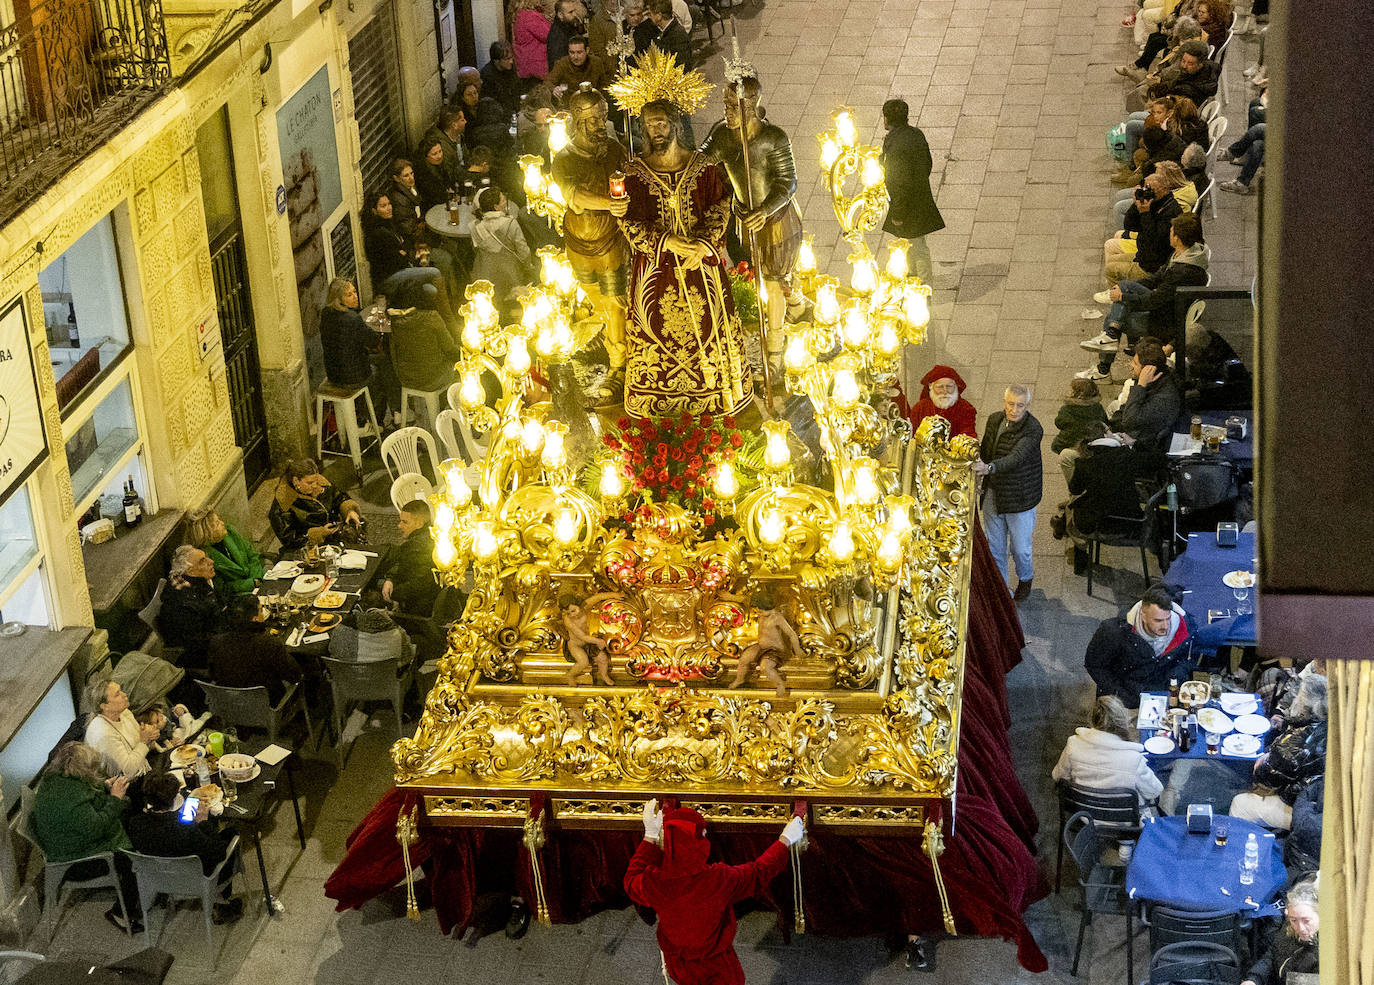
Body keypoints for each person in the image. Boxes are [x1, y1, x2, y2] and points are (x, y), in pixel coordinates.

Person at [616, 82, 753, 418]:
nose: (655, 131)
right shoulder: (634, 173)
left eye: (661, 123)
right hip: (656, 274)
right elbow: (629, 221)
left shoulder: (703, 167)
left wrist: (705, 242)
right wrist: (665, 241)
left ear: (676, 124)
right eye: (649, 125)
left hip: (701, 268)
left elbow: (722, 204)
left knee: (710, 328)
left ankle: (715, 391)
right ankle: (656, 395)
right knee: (657, 330)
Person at [625, 799, 804, 985]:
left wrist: (650, 836)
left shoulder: (654, 881)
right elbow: (758, 872)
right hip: (717, 967)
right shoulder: (717, 879)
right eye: (703, 834)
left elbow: (630, 880)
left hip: (679, 964)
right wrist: (785, 840)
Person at [700, 74, 803, 376]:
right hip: (745, 219)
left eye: (735, 106)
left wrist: (766, 209)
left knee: (772, 283)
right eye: (726, 105)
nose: (728, 112)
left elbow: (788, 181)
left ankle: (775, 350)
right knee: (762, 277)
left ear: (752, 107)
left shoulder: (774, 137)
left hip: (777, 221)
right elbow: (701, 162)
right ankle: (795, 301)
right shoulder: (722, 134)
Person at [551, 85, 630, 388]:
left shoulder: (612, 148)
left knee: (614, 302)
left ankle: (618, 364)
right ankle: (616, 339)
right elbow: (576, 197)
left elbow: (629, 174)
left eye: (603, 118)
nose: (601, 125)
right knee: (598, 300)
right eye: (594, 120)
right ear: (578, 121)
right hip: (579, 244)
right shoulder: (564, 159)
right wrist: (610, 204)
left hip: (611, 238)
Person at [29, 742, 141, 933]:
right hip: (76, 862)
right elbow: (96, 827)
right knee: (135, 863)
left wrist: (105, 787)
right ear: (82, 769)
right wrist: (115, 798)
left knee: (129, 815)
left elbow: (86, 790)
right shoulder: (72, 803)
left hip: (70, 843)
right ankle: (120, 914)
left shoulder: (55, 779)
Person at [1081, 216, 1209, 382]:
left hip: (1164, 322)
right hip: (1165, 306)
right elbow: (1155, 278)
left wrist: (1123, 296)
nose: (1169, 235)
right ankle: (1110, 339)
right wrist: (1124, 289)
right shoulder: (1186, 253)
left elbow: (1153, 301)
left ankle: (1104, 366)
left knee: (1115, 319)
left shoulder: (1182, 271)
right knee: (1124, 291)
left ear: (1178, 238)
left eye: (1171, 232)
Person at [126, 771, 243, 924]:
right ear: (174, 797)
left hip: (158, 879)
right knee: (230, 834)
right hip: (195, 880)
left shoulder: (135, 824)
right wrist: (203, 821)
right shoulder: (186, 830)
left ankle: (219, 900)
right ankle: (221, 899)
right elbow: (219, 853)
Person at [974, 385, 1043, 601]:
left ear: (1027, 406)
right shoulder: (994, 420)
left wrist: (989, 468)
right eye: (1010, 404)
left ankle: (1025, 578)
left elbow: (1017, 457)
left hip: (1019, 498)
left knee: (1021, 548)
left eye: (1019, 405)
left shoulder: (1033, 429)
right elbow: (986, 449)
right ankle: (1002, 592)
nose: (1014, 410)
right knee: (995, 548)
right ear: (1005, 402)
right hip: (994, 494)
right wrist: (980, 470)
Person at [1083, 585, 1193, 708]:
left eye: (1168, 618)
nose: (1165, 626)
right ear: (1143, 615)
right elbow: (1095, 665)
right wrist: (1120, 695)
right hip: (1126, 699)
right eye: (1158, 620)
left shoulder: (1185, 628)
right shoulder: (1113, 632)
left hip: (1163, 695)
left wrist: (1175, 677)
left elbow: (1188, 656)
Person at [360, 189, 458, 326]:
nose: (388, 208)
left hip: (402, 270)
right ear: (374, 211)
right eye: (383, 206)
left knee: (432, 290)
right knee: (435, 272)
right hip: (388, 279)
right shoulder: (378, 233)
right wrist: (403, 254)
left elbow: (404, 249)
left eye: (389, 204)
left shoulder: (389, 223)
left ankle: (436, 324)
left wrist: (403, 253)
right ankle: (451, 323)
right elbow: (397, 261)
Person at [319, 276, 399, 427]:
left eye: (354, 291)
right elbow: (374, 343)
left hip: (333, 373)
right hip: (352, 377)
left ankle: (387, 412)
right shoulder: (351, 318)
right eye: (349, 295)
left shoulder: (326, 313)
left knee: (382, 362)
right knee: (384, 368)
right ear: (338, 299)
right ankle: (374, 419)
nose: (355, 296)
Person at [879, 98, 944, 286]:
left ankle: (923, 287)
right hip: (919, 198)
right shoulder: (916, 134)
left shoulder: (896, 146)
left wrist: (898, 213)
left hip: (907, 206)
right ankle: (914, 279)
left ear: (887, 118)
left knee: (916, 246)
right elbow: (927, 163)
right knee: (913, 244)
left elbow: (899, 182)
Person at [1052, 695, 1164, 802]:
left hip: (1084, 813)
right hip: (1123, 819)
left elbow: (1058, 776)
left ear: (1092, 719)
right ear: (1123, 723)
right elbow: (1154, 791)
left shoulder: (1073, 744)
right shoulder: (1134, 760)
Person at [207, 594, 306, 705]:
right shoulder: (269, 644)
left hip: (232, 705)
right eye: (260, 610)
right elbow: (295, 675)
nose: (262, 613)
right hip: (267, 706)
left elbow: (214, 675)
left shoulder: (215, 642)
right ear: (254, 619)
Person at [268, 458, 364, 551]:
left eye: (316, 480)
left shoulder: (320, 483)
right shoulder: (284, 503)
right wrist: (318, 534)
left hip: (337, 535)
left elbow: (338, 497)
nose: (315, 485)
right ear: (296, 480)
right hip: (308, 548)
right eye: (309, 483)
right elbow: (289, 539)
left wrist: (349, 510)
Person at [389, 287, 462, 409]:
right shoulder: (431, 317)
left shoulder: (395, 321)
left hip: (407, 378)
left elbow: (394, 354)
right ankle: (447, 408)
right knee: (459, 368)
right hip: (433, 378)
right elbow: (450, 350)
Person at [1241, 877, 1319, 985]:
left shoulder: (1323, 956)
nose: (1300, 928)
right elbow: (1272, 955)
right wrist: (1253, 979)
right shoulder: (1289, 929)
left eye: (1306, 921)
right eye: (1294, 920)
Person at [158, 545, 225, 660]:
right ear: (190, 571)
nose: (211, 561)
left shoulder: (201, 580)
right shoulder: (183, 605)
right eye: (202, 561)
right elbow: (200, 642)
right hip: (201, 655)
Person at [471, 186, 534, 310]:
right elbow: (523, 251)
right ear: (496, 207)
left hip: (484, 273)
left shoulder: (475, 227)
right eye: (503, 201)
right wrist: (528, 267)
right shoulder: (510, 224)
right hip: (509, 274)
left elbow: (476, 251)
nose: (505, 202)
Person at [84, 678, 162, 778]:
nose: (125, 695)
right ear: (104, 706)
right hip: (130, 782)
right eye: (117, 694)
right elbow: (129, 771)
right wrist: (144, 741)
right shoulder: (104, 734)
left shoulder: (123, 712)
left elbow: (140, 743)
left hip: (145, 765)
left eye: (121, 690)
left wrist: (150, 736)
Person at [185, 506, 265, 597]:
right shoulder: (205, 557)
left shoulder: (229, 532)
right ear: (208, 532)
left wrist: (257, 578)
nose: (223, 523)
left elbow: (253, 555)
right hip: (240, 594)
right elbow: (223, 588)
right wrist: (251, 583)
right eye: (217, 523)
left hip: (259, 576)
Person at [378, 500, 440, 616]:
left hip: (419, 606)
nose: (399, 526)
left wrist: (394, 594)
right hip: (414, 593)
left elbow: (419, 585)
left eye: (405, 522)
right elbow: (401, 562)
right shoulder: (427, 537)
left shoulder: (418, 547)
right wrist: (390, 579)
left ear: (419, 524)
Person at [903, 364, 978, 439]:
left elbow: (968, 435)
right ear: (930, 387)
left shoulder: (966, 408)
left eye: (949, 386)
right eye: (940, 387)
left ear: (956, 387)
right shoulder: (920, 408)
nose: (945, 391)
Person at [1149, 40, 1220, 104]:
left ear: (1200, 64)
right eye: (1183, 61)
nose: (1184, 66)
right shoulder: (1208, 67)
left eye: (1190, 63)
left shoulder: (1187, 90)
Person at [1051, 378, 1109, 453]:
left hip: (1069, 440)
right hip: (1092, 440)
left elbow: (1059, 423)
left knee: (1056, 447)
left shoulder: (1068, 409)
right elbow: (1104, 421)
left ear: (1078, 395)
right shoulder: (1098, 407)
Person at [546, 35, 612, 98]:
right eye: (572, 52)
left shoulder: (596, 62)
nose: (575, 57)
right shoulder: (562, 64)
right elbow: (547, 82)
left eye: (579, 52)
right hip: (568, 104)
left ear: (587, 50)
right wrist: (554, 89)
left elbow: (604, 85)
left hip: (592, 103)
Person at [512, 0, 552, 79]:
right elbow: (549, 36)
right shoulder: (530, 16)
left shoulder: (521, 14)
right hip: (536, 67)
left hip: (526, 65)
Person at [480, 41, 522, 116]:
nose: (511, 61)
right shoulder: (487, 76)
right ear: (496, 60)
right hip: (498, 114)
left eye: (511, 58)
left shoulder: (509, 69)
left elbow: (516, 89)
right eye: (507, 59)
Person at [413, 136, 452, 211]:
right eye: (434, 154)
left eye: (440, 151)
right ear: (426, 156)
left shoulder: (442, 163)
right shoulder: (422, 173)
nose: (439, 156)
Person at [547, 0, 585, 71]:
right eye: (570, 12)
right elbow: (557, 63)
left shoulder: (567, 25)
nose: (574, 15)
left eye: (574, 11)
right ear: (560, 15)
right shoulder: (557, 35)